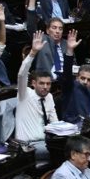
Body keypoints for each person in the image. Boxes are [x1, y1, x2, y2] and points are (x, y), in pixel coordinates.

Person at [16, 32, 57, 162]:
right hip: (28, 146)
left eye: (48, 84)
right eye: (41, 83)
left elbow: (55, 123)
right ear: (34, 83)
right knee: (63, 152)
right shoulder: (25, 94)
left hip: (46, 142)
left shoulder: (49, 97)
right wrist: (33, 53)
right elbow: (22, 74)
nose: (45, 87)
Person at [60, 30, 90, 122]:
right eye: (82, 78)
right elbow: (67, 76)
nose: (85, 82)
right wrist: (70, 51)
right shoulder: (71, 89)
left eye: (89, 80)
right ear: (77, 78)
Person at [31, 15, 68, 80]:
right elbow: (30, 28)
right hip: (47, 80)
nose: (57, 31)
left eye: (60, 29)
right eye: (54, 28)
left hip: (66, 79)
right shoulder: (42, 40)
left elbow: (73, 65)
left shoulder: (66, 44)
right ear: (47, 30)